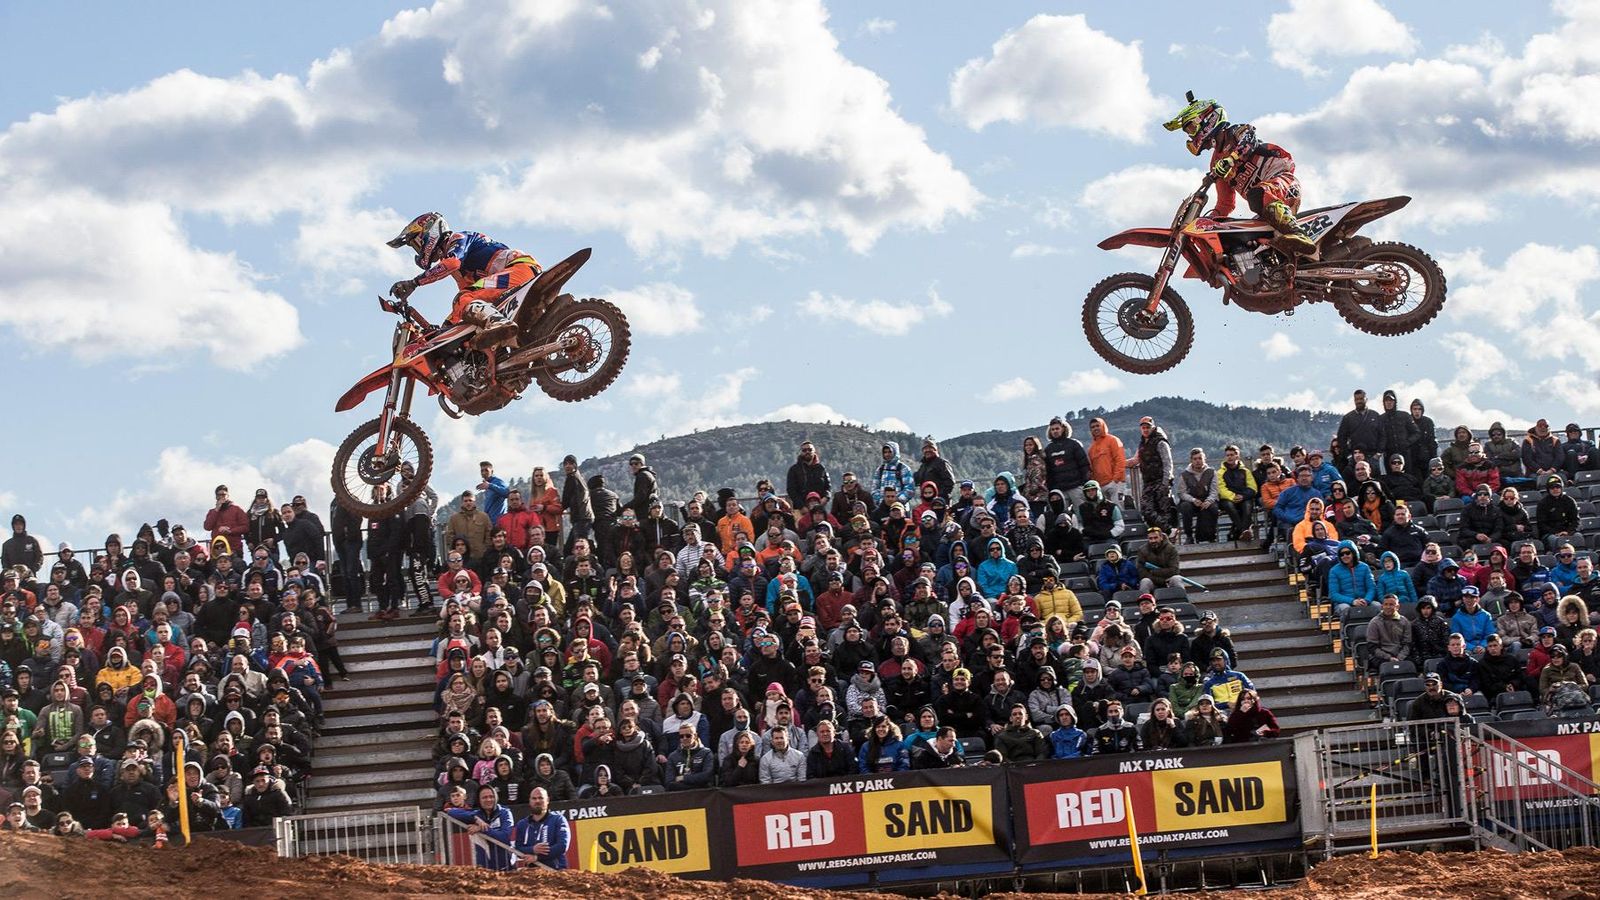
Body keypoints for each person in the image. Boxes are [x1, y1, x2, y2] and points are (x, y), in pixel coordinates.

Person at [1163, 96, 1314, 254]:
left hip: (1283, 184)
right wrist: (1208, 221)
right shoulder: (1216, 163)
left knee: (1257, 195)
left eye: (1192, 128)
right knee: (1239, 236)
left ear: (1209, 118)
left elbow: (1249, 141)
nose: (1192, 135)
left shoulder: (1236, 133)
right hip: (1266, 207)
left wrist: (1230, 159)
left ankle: (1299, 235)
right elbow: (1225, 205)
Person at [385, 212, 536, 347]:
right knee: (465, 302)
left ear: (429, 232)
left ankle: (499, 323)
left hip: (520, 268)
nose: (418, 250)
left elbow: (452, 264)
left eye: (416, 244)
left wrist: (414, 283)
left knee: (463, 298)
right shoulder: (458, 270)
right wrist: (444, 329)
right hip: (515, 278)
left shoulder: (458, 238)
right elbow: (466, 304)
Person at [1134, 417, 1177, 535]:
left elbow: (1168, 462)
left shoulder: (1161, 442)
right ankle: (1169, 531)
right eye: (1143, 427)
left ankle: (1167, 537)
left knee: (1164, 511)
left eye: (1148, 427)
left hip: (1161, 481)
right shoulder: (1142, 443)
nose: (1145, 430)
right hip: (1148, 483)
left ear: (1153, 427)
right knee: (1146, 509)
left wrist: (1166, 482)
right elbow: (1136, 460)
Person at [513, 787, 570, 870]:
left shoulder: (558, 820)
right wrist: (533, 849)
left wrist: (537, 857)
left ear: (547, 800)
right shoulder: (522, 824)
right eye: (534, 798)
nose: (537, 801)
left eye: (540, 798)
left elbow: (562, 846)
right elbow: (518, 848)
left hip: (556, 871)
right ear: (530, 801)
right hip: (531, 873)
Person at [1177, 448, 1220, 544]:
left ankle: (1210, 536)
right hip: (1191, 501)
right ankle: (1189, 536)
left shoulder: (1211, 472)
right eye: (1195, 459)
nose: (1197, 461)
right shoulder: (1185, 474)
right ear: (1191, 460)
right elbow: (1181, 492)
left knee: (1213, 508)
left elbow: (1214, 490)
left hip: (1207, 499)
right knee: (1185, 507)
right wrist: (1192, 500)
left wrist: (1209, 501)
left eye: (1200, 458)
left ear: (1204, 459)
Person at [1135, 527, 1183, 593]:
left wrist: (1154, 571)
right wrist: (1161, 581)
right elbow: (1142, 573)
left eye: (1155, 538)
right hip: (1153, 581)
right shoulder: (1142, 551)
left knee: (1176, 579)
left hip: (1169, 580)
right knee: (1145, 581)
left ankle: (1182, 600)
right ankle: (1144, 602)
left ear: (1161, 537)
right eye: (1150, 538)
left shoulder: (1171, 549)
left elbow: (1174, 570)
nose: (1153, 541)